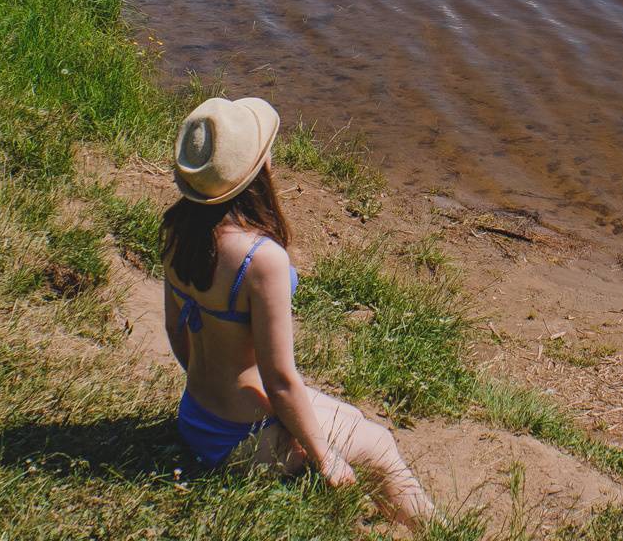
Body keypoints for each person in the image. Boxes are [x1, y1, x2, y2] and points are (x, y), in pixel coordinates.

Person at [161, 96, 434, 524]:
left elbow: (177, 331)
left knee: (350, 416)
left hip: (196, 417)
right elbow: (281, 380)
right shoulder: (259, 260)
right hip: (240, 440)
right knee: (379, 443)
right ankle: (437, 531)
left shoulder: (178, 232)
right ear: (255, 171)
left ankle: (390, 508)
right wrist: (325, 458)